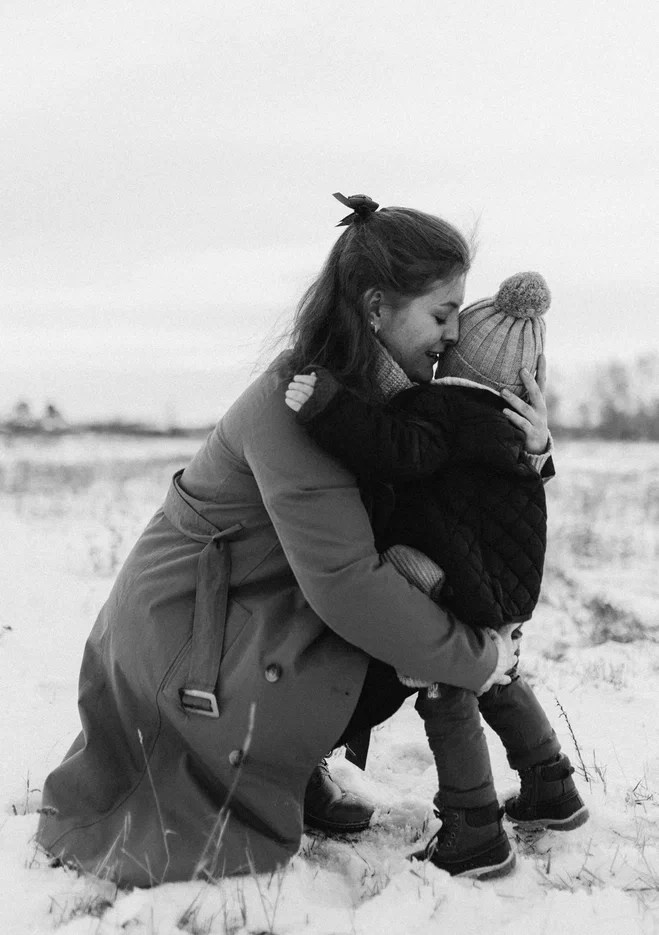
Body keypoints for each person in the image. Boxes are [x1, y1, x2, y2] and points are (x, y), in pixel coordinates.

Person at [36, 192, 521, 887]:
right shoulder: (300, 404)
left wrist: (529, 452)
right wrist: (477, 658)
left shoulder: (373, 406)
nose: (451, 336)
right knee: (393, 624)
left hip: (246, 614)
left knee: (420, 602)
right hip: (185, 642)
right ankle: (265, 769)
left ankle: (292, 769)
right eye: (441, 314)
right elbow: (348, 587)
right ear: (375, 306)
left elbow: (455, 507)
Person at [285, 269, 589, 878]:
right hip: (503, 581)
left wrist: (328, 408)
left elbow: (398, 449)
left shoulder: (443, 407)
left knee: (445, 685)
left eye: (450, 341)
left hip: (451, 578)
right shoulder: (511, 427)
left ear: (461, 359)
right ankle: (552, 788)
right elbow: (526, 482)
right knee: (498, 675)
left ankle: (472, 827)